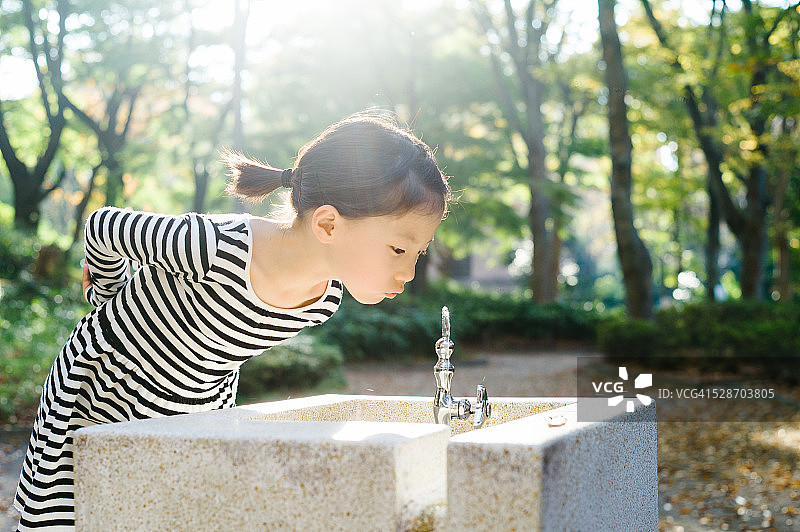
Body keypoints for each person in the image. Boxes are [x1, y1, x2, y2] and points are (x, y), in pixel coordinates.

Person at [13, 111, 451, 530]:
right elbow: (104, 226)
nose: (409, 272)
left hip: (195, 404)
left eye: (418, 253)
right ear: (328, 225)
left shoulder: (323, 300)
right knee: (71, 515)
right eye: (399, 249)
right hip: (105, 388)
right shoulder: (216, 247)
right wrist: (107, 296)